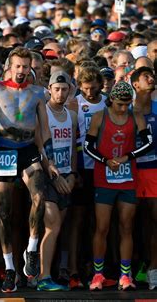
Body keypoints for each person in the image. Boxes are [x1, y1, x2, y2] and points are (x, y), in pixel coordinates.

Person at [0, 47, 59, 292]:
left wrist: (51, 159)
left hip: (28, 150)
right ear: (10, 67)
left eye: (26, 67)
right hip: (4, 150)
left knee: (39, 196)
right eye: (18, 66)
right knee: (4, 212)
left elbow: (44, 129)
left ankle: (32, 250)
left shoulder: (38, 93)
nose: (22, 71)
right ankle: (9, 268)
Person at [84, 81, 153, 291]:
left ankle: (125, 275)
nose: (124, 109)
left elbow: (149, 142)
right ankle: (98, 274)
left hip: (127, 178)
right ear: (111, 99)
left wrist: (126, 157)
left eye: (127, 104)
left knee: (126, 227)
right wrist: (106, 161)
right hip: (104, 178)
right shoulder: (100, 117)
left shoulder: (136, 117)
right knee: (102, 227)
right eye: (120, 104)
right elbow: (88, 146)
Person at [66, 66, 106, 289]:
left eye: (94, 88)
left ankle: (97, 268)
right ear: (80, 86)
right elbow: (71, 137)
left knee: (98, 222)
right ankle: (73, 269)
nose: (90, 93)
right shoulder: (75, 103)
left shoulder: (107, 102)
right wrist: (74, 170)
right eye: (86, 88)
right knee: (77, 221)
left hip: (103, 167)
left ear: (100, 85)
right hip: (82, 166)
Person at [37, 71, 77, 291]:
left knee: (58, 228)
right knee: (51, 226)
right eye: (57, 89)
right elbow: (40, 148)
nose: (60, 93)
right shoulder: (42, 112)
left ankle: (48, 273)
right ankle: (42, 276)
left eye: (64, 89)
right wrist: (55, 176)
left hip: (65, 177)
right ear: (49, 89)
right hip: (47, 177)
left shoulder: (71, 115)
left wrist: (72, 174)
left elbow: (72, 148)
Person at [131, 67, 157, 290]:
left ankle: (153, 269)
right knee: (128, 222)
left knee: (154, 219)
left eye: (152, 75)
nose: (151, 78)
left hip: (153, 169)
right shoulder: (125, 109)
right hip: (130, 170)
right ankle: (127, 268)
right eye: (145, 76)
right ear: (135, 85)